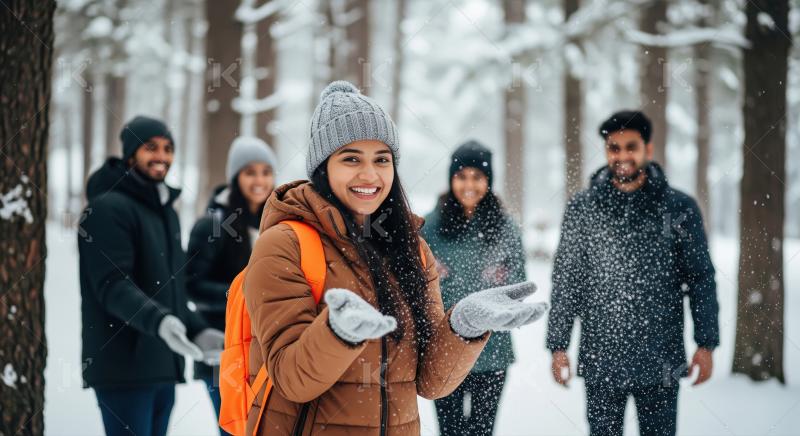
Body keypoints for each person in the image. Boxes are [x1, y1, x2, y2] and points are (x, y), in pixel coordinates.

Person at [242, 81, 549, 435]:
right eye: (351, 158)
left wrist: (463, 325)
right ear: (322, 166)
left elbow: (429, 383)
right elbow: (291, 380)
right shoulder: (285, 244)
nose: (370, 175)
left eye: (382, 159)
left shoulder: (411, 249)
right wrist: (337, 333)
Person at [546, 110, 720, 436]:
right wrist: (558, 345)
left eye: (631, 146)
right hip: (601, 358)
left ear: (648, 150)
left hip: (660, 360)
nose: (622, 156)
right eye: (614, 147)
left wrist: (706, 343)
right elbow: (567, 279)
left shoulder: (678, 208)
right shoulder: (583, 208)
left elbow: (700, 278)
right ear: (606, 151)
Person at [78, 115, 225, 436]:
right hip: (124, 367)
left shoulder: (166, 213)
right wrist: (159, 321)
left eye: (168, 148)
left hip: (162, 365)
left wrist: (198, 330)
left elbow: (172, 292)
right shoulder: (107, 208)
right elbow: (112, 285)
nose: (162, 156)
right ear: (131, 153)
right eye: (151, 147)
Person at [422, 140, 526, 436]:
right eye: (461, 176)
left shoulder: (505, 228)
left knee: (482, 431)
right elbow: (417, 288)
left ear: (488, 181)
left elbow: (518, 286)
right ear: (451, 179)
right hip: (445, 350)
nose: (469, 185)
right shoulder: (431, 227)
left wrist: (502, 286)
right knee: (450, 431)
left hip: (492, 353)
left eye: (477, 177)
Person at [186, 135, 277, 435]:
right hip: (222, 348)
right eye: (250, 172)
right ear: (235, 176)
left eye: (266, 171)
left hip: (264, 350)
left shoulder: (278, 222)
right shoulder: (213, 223)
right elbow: (191, 284)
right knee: (235, 429)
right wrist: (240, 295)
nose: (260, 180)